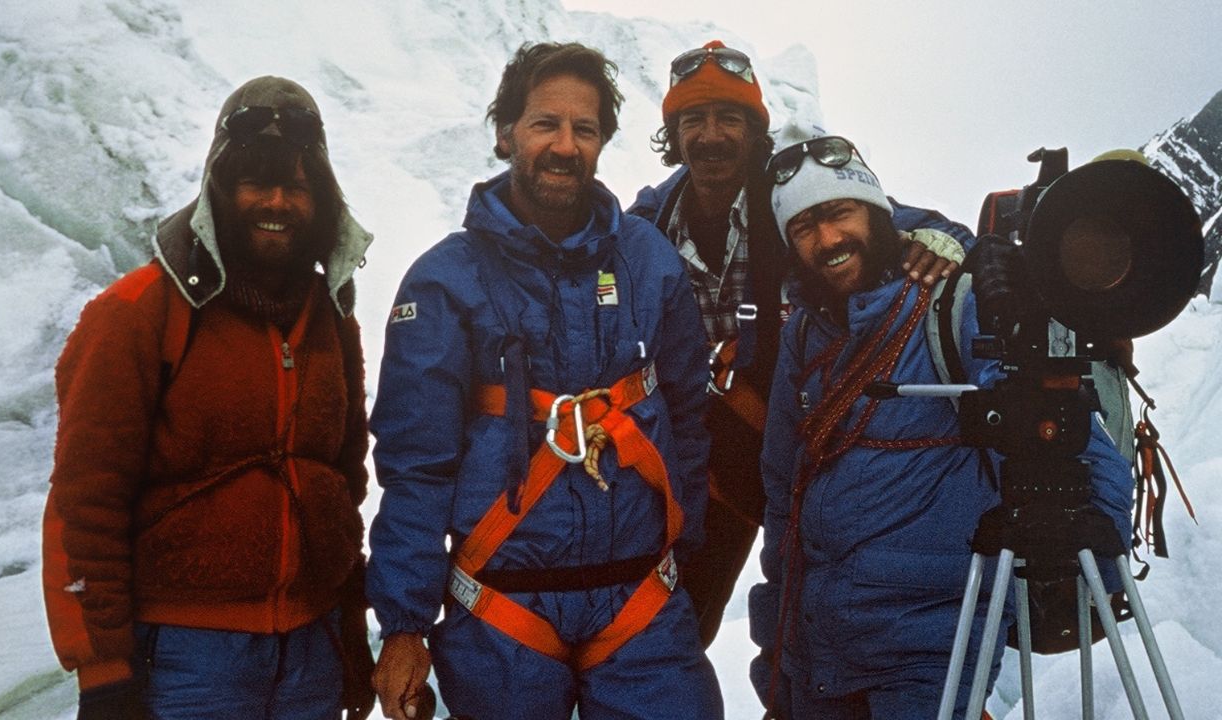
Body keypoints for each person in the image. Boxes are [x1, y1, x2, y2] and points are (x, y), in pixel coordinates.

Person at [367, 42, 723, 720]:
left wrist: (690, 565)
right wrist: (404, 625)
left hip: (642, 610)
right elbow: (416, 469)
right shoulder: (446, 281)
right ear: (506, 134)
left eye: (583, 129)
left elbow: (688, 423)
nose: (565, 145)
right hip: (501, 616)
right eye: (544, 124)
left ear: (601, 143)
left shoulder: (650, 264)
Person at [748, 120, 1135, 719]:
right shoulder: (804, 334)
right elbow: (783, 494)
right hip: (814, 658)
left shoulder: (957, 306)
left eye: (842, 212)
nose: (828, 238)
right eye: (804, 226)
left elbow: (1075, 445)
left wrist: (1093, 576)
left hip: (932, 655)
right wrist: (776, 647)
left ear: (880, 212)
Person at [42, 76, 375, 720]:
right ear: (218, 190)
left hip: (311, 654)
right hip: (185, 661)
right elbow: (86, 501)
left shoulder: (331, 321)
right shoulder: (138, 313)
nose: (276, 201)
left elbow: (341, 486)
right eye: (255, 181)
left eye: (297, 186)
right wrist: (105, 672)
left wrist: (348, 638)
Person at [628, 39, 974, 647]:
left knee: (830, 633)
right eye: (694, 120)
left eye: (729, 118)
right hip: (716, 469)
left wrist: (949, 243)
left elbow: (900, 225)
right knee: (667, 636)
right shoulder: (649, 226)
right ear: (673, 133)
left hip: (814, 452)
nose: (711, 135)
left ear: (755, 128)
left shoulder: (799, 198)